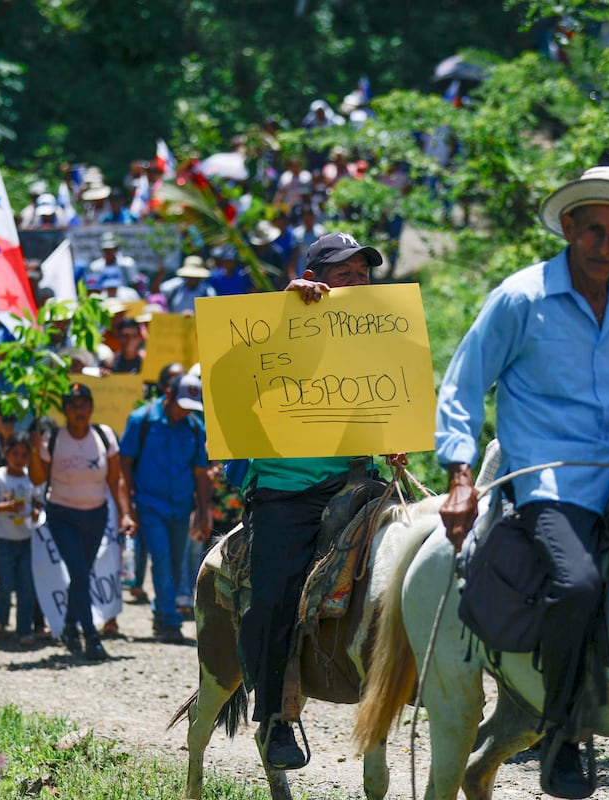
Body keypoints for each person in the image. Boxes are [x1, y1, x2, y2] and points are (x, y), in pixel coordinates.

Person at [435, 166, 609, 798]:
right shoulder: (521, 298)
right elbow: (464, 385)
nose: (606, 245)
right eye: (594, 231)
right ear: (569, 228)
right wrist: (461, 474)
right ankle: (563, 735)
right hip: (552, 477)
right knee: (578, 585)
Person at [237, 231, 402, 770]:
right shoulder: (277, 322)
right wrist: (285, 308)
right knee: (273, 596)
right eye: (345, 274)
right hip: (286, 490)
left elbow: (387, 395)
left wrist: (396, 430)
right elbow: (233, 373)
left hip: (358, 481)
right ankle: (276, 716)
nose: (357, 283)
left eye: (363, 274)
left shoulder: (375, 331)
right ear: (313, 280)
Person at [30, 384, 134, 660]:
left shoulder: (104, 436)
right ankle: (90, 636)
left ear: (90, 407)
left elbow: (116, 479)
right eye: (73, 405)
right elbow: (38, 479)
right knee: (79, 572)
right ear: (65, 410)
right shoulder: (53, 438)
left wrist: (124, 513)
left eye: (83, 404)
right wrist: (33, 446)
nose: (79, 410)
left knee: (82, 573)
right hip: (62, 515)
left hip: (96, 515)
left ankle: (68, 627)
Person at [119, 372, 211, 644]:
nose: (185, 412)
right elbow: (124, 464)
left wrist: (204, 511)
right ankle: (170, 621)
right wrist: (128, 508)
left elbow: (200, 472)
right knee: (161, 560)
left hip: (181, 507)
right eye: (182, 404)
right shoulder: (142, 421)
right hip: (150, 504)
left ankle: (162, 613)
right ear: (168, 395)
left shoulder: (195, 427)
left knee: (175, 561)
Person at [0, 432, 43, 646]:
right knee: (6, 584)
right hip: (3, 539)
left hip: (26, 538)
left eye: (24, 455)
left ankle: (24, 629)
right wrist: (6, 507)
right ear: (7, 453)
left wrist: (36, 511)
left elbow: (38, 501)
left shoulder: (31, 477)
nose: (19, 459)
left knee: (26, 585)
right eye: (15, 454)